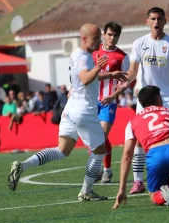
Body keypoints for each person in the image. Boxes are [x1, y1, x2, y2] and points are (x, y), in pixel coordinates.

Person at [8, 23, 110, 201]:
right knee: (100, 151)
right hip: (83, 111)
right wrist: (98, 67)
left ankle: (22, 166)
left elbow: (84, 79)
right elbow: (86, 78)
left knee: (62, 150)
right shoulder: (85, 58)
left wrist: (110, 75)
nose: (100, 41)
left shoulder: (77, 54)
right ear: (84, 39)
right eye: (97, 38)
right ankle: (86, 191)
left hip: (71, 108)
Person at [116, 7, 169, 194]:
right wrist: (125, 83)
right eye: (153, 19)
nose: (156, 22)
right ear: (147, 21)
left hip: (167, 98)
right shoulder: (139, 43)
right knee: (139, 138)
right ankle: (138, 181)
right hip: (146, 97)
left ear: (165, 21)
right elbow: (133, 70)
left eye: (160, 19)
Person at [92, 21, 129, 183]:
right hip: (91, 101)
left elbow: (126, 82)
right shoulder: (93, 52)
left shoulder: (122, 57)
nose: (112, 38)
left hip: (109, 102)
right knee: (95, 137)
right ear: (103, 34)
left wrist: (113, 96)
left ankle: (98, 168)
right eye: (109, 34)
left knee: (101, 134)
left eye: (115, 35)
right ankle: (106, 169)